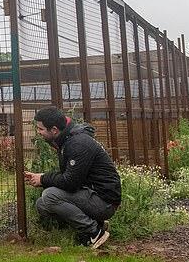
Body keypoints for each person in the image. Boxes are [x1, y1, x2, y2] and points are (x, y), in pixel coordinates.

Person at [25, 106, 121, 249]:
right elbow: (71, 178)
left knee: (50, 195)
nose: (38, 133)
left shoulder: (77, 144)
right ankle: (94, 223)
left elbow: (70, 182)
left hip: (105, 202)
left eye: (40, 129)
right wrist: (43, 178)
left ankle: (93, 232)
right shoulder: (67, 139)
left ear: (54, 130)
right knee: (42, 204)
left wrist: (43, 179)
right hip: (92, 194)